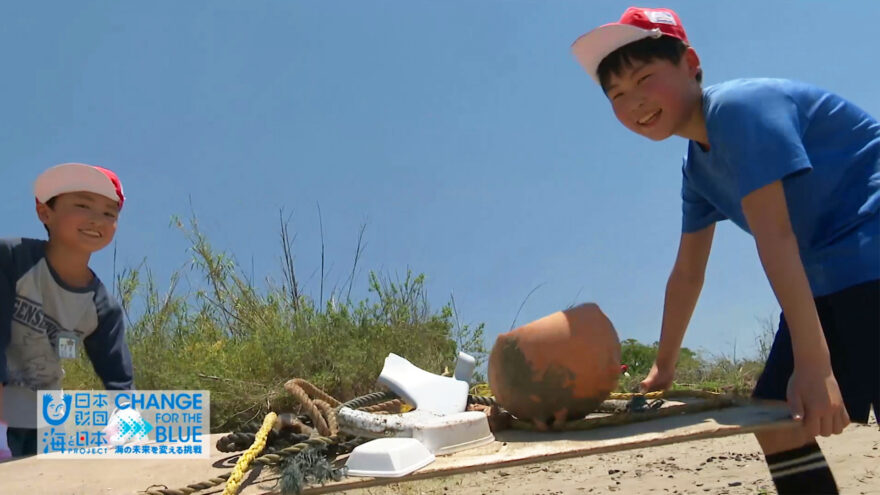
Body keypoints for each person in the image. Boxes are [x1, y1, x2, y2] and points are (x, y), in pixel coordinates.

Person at [570, 7, 879, 494]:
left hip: (869, 251)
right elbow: (688, 272)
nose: (635, 102)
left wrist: (816, 366)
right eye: (617, 95)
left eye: (646, 78)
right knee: (776, 420)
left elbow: (776, 237)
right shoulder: (698, 169)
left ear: (690, 62)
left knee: (788, 410)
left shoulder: (740, 111)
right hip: (829, 275)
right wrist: (663, 366)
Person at [0, 163, 134, 459]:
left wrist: (124, 416)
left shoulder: (102, 308)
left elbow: (118, 377)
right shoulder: (12, 259)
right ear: (45, 213)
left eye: (109, 213)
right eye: (83, 205)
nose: (96, 219)